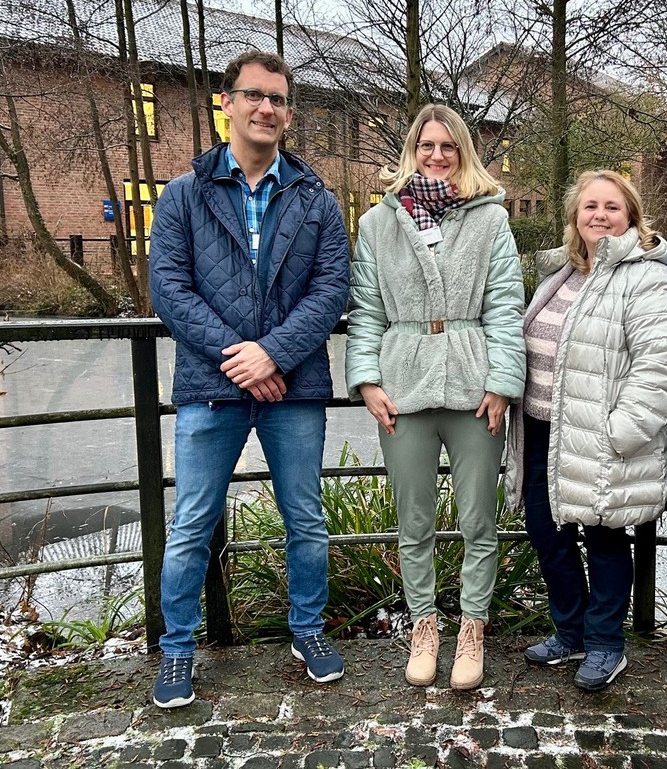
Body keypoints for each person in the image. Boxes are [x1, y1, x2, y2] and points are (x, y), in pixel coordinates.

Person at [148, 51, 350, 708]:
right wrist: (243, 356)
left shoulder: (316, 199)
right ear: (227, 103)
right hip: (211, 386)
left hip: (295, 388)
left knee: (305, 519)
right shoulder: (183, 195)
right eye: (254, 95)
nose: (267, 108)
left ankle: (308, 629)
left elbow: (331, 292)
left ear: (288, 113)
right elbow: (171, 291)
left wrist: (276, 356)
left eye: (279, 99)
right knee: (192, 523)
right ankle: (178, 650)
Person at [345, 104, 525, 690]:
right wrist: (367, 380)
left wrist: (503, 383)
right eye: (427, 145)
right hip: (403, 383)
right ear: (412, 150)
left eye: (449, 146)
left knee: (478, 519)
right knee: (413, 521)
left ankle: (472, 630)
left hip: (475, 383)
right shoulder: (379, 224)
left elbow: (503, 303)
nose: (437, 155)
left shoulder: (490, 219)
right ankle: (424, 626)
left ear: (464, 151)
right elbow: (367, 310)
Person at [504, 170, 667, 692]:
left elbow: (661, 365)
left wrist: (620, 433)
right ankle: (572, 631)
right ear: (575, 217)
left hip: (601, 437)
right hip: (541, 431)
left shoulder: (646, 278)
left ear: (631, 216)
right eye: (590, 207)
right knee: (547, 534)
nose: (600, 216)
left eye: (612, 207)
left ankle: (606, 643)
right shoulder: (560, 274)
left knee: (604, 537)